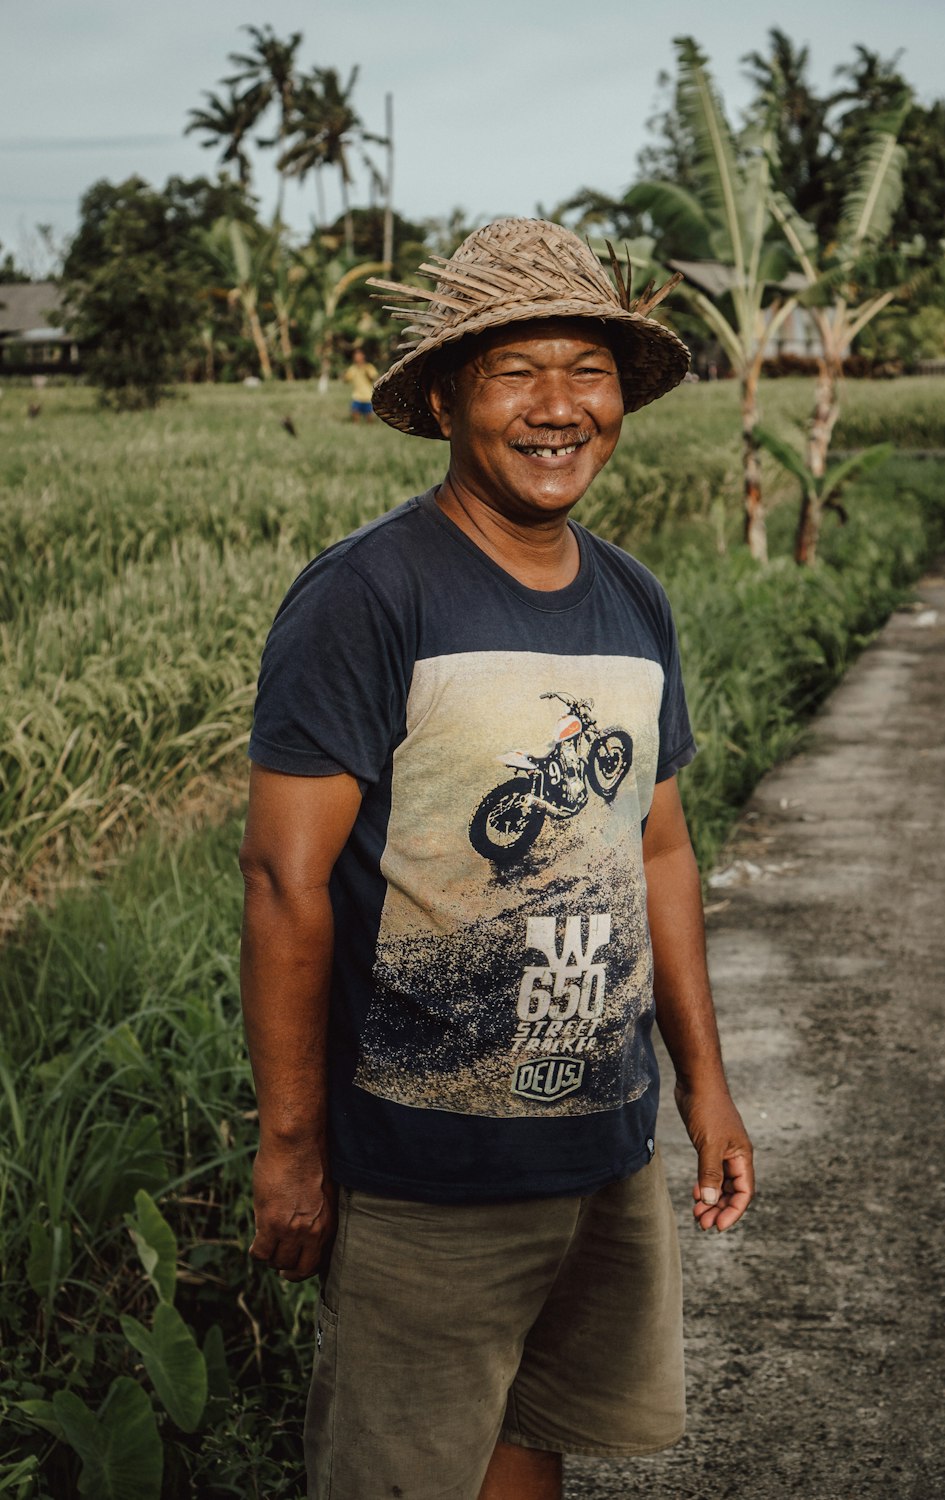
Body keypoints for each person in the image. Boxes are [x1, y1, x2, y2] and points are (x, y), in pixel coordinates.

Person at [239, 217, 754, 1500]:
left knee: (536, 1442)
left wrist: (704, 1086)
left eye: (585, 369)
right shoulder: (370, 594)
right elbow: (283, 882)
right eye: (516, 369)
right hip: (425, 1167)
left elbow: (664, 849)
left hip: (598, 1140)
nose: (556, 406)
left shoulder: (633, 600)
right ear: (453, 395)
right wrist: (293, 1145)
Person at [341, 345, 378, 422]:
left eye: (358, 356)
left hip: (368, 397)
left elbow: (374, 378)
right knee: (355, 417)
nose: (356, 357)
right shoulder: (352, 368)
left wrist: (367, 373)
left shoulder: (369, 367)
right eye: (355, 356)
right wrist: (343, 376)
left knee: (369, 420)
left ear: (363, 356)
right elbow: (346, 380)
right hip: (357, 397)